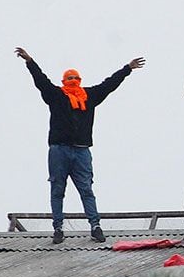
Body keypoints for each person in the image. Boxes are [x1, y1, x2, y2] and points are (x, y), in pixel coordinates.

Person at [15, 47, 145, 244]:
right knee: (58, 189)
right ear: (63, 82)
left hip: (81, 150)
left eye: (75, 78)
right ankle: (58, 228)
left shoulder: (89, 96)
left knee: (85, 189)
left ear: (80, 80)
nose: (72, 81)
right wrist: (30, 62)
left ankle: (95, 226)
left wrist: (127, 69)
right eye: (69, 79)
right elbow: (41, 82)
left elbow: (109, 84)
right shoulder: (57, 96)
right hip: (59, 149)